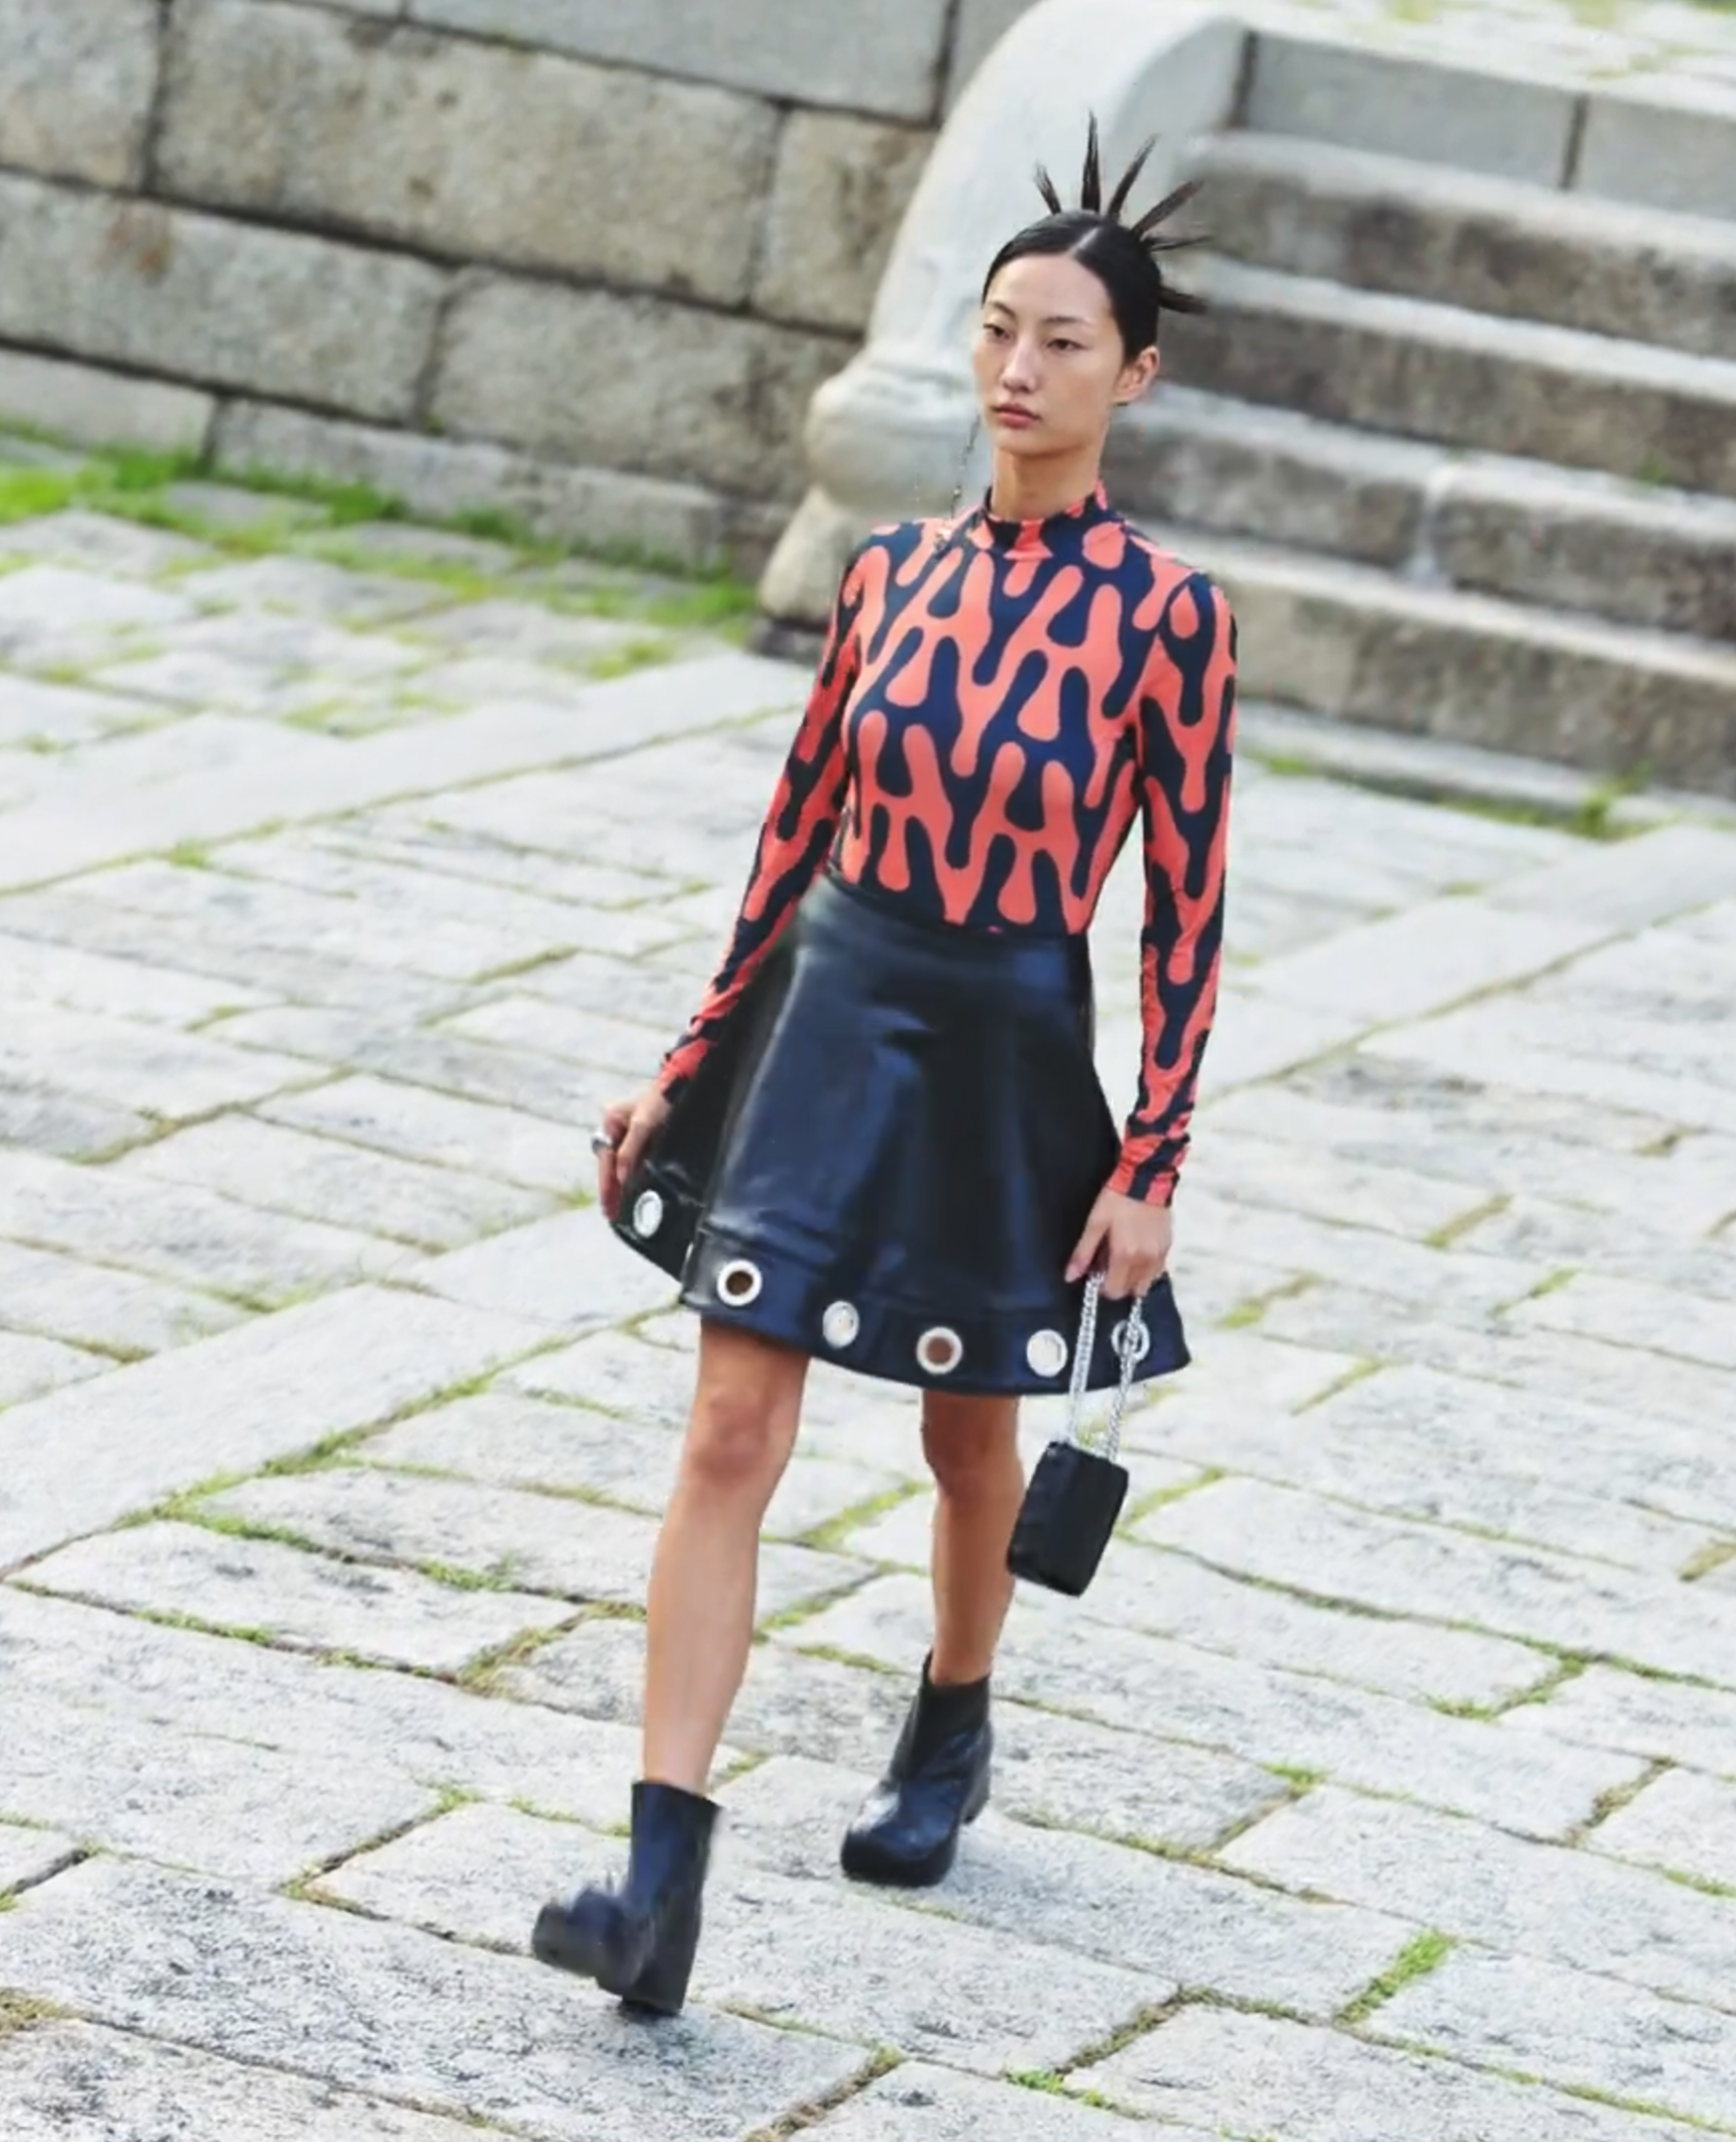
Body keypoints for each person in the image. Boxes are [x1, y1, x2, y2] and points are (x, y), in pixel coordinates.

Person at [531, 125, 1239, 2019]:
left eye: (1065, 342)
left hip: (1007, 1044)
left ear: (1136, 375)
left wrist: (1152, 1162)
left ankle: (952, 1720)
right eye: (999, 330)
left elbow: (1185, 909)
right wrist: (686, 1064)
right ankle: (657, 1884)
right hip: (830, 1016)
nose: (1019, 369)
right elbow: (790, 832)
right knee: (727, 1429)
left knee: (965, 1436)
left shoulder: (1171, 619)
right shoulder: (887, 572)